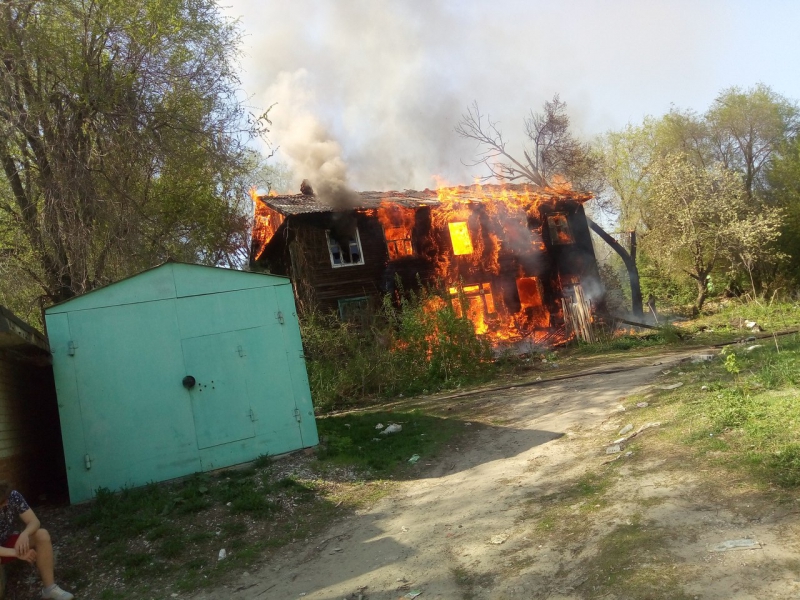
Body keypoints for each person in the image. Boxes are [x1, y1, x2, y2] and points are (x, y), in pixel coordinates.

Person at [0, 481, 73, 600]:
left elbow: (34, 521)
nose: (7, 502)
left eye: (6, 498)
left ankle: (50, 589)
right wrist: (17, 553)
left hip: (5, 540)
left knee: (41, 534)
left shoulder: (13, 496)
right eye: (2, 502)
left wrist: (25, 533)